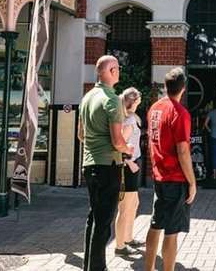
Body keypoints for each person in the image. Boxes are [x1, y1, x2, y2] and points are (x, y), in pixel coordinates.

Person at [78, 55, 134, 271]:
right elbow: (117, 140)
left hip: (89, 163)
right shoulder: (112, 99)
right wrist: (127, 149)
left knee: (94, 217)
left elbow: (81, 134)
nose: (119, 71)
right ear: (111, 71)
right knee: (103, 223)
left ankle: (90, 266)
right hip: (107, 165)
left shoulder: (87, 97)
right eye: (117, 68)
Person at [145, 67, 197, 271]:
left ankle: (148, 268)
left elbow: (151, 141)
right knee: (171, 231)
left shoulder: (154, 109)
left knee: (156, 224)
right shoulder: (180, 113)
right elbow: (183, 151)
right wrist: (192, 182)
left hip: (159, 176)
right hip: (175, 177)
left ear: (165, 87)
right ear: (183, 88)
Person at [114, 87, 145, 255]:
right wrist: (128, 161)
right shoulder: (129, 121)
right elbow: (119, 145)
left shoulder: (130, 118)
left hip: (132, 164)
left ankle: (128, 238)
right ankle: (120, 245)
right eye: (138, 97)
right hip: (128, 166)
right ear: (133, 101)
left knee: (133, 204)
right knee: (125, 207)